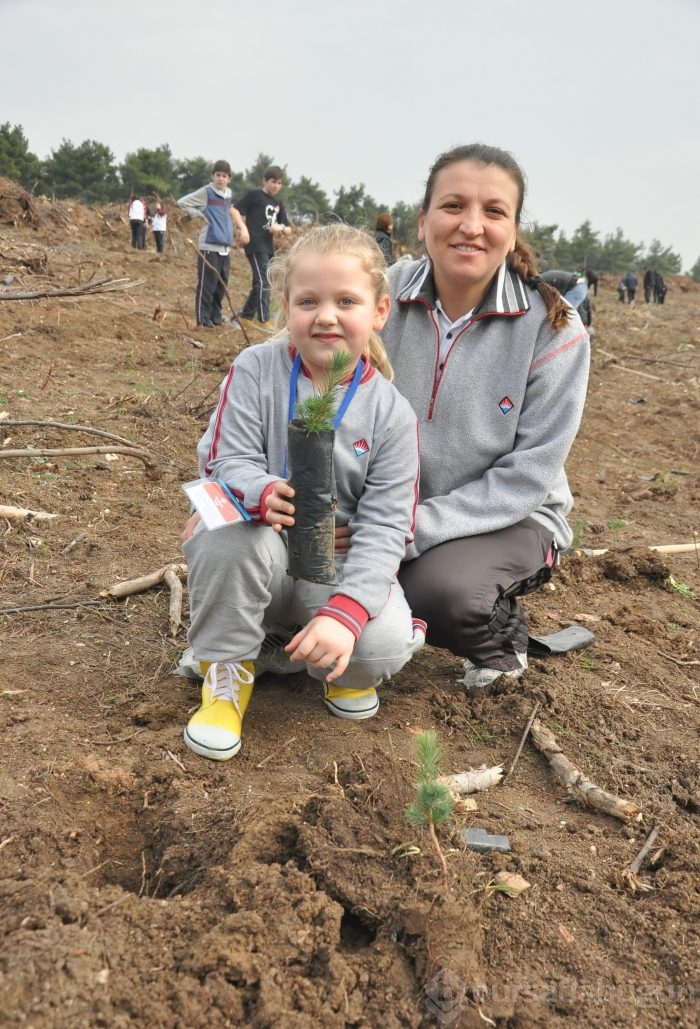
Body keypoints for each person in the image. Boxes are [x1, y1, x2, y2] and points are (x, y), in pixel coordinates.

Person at [340, 143, 590, 699]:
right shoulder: (375, 298)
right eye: (453, 206)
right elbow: (307, 385)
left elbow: (528, 477)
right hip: (386, 502)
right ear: (424, 219)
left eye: (494, 212)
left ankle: (501, 639)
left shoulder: (553, 328)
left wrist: (402, 533)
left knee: (438, 592)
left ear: (514, 228)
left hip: (509, 516)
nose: (471, 227)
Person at [181, 224, 425, 760]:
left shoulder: (391, 414)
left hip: (332, 567)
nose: (326, 316)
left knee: (379, 643)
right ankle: (226, 671)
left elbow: (388, 528)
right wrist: (259, 490)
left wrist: (346, 614)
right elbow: (224, 458)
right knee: (226, 538)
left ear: (380, 311)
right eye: (308, 300)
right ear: (285, 307)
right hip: (259, 555)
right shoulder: (255, 370)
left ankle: (331, 661)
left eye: (346, 300)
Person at [177, 160, 250, 328]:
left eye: (224, 176)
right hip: (209, 245)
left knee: (221, 284)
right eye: (218, 175)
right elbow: (182, 202)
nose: (221, 179)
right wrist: (200, 215)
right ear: (213, 176)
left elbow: (230, 211)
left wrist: (240, 228)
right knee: (207, 285)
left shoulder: (228, 194)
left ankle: (216, 316)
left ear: (229, 179)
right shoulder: (206, 192)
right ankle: (203, 319)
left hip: (225, 247)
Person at [540, 269, 593, 335]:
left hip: (577, 288)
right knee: (568, 314)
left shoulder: (540, 278)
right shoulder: (548, 274)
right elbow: (588, 307)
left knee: (564, 315)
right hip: (581, 286)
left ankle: (558, 336)